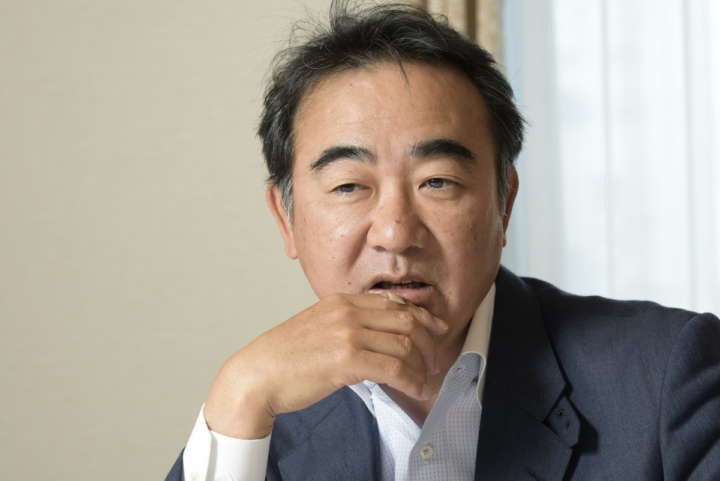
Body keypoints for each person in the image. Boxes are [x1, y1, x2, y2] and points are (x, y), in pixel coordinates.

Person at [165, 2, 720, 480]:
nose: (395, 233)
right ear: (285, 218)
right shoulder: (255, 418)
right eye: (350, 186)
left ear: (504, 202)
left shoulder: (667, 376)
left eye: (438, 181)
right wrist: (239, 397)